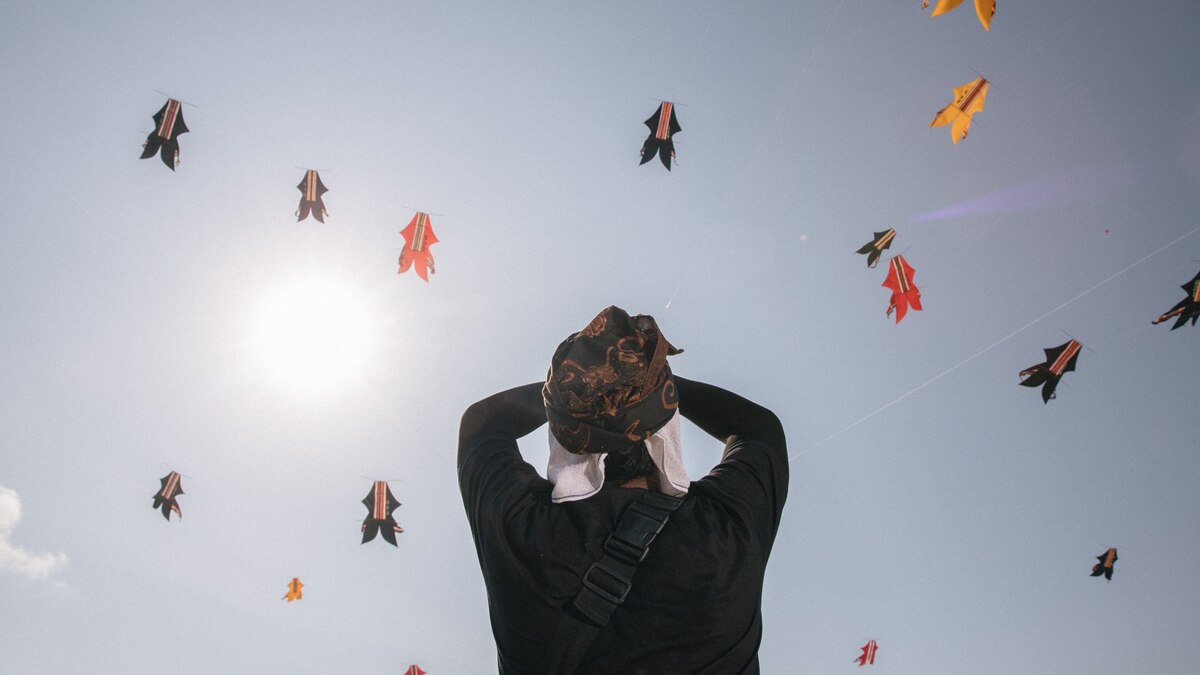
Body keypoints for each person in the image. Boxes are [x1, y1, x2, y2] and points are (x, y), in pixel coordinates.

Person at [458, 306, 788, 674]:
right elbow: (760, 429)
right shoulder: (725, 530)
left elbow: (482, 425)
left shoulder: (524, 532)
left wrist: (578, 385)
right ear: (664, 426)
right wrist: (643, 378)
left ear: (564, 434)